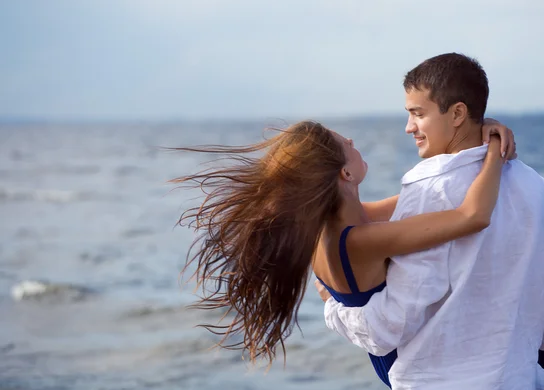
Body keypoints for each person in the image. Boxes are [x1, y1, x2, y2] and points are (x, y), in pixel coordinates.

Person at [317, 53, 544, 390]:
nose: (409, 127)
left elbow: (392, 325)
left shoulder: (429, 187)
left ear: (457, 113)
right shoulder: (537, 187)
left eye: (418, 114)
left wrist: (334, 309)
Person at [171, 116, 515, 372]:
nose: (352, 140)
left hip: (390, 355)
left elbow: (431, 196)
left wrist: (473, 138)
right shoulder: (358, 240)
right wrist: (495, 152)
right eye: (345, 144)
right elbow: (472, 217)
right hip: (405, 363)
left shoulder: (334, 225)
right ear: (345, 174)